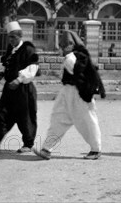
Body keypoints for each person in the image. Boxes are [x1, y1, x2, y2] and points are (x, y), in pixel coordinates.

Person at [34, 30, 106, 160]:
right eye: (62, 45)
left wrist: (86, 93)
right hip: (67, 92)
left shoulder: (72, 58)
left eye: (65, 45)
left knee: (86, 120)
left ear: (72, 44)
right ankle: (46, 148)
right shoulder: (79, 56)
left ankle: (96, 150)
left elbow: (81, 76)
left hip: (76, 93)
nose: (63, 47)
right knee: (58, 119)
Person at [0, 21, 39, 154]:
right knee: (1, 114)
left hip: (23, 90)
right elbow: (5, 62)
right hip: (9, 89)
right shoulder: (10, 49)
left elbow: (33, 68)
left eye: (13, 37)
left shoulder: (28, 49)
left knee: (25, 117)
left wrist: (19, 80)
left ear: (20, 36)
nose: (11, 39)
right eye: (9, 37)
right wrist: (1, 72)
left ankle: (28, 144)